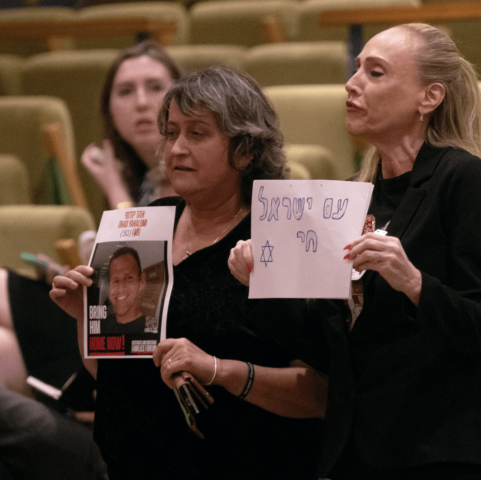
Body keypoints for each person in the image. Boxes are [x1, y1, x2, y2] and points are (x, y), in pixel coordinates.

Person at [229, 23, 481, 480]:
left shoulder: (463, 179)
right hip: (360, 448)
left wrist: (414, 282)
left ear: (429, 97)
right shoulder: (351, 195)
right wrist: (263, 286)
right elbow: (327, 350)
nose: (352, 84)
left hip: (443, 447)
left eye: (376, 72)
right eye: (356, 70)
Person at [50, 66, 327, 480]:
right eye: (172, 132)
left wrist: (218, 369)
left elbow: (320, 393)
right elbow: (111, 373)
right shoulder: (146, 223)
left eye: (196, 134)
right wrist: (84, 316)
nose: (176, 149)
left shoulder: (281, 234)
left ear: (246, 149)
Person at [0, 40, 182, 396]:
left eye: (154, 87)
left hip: (149, 338)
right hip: (109, 324)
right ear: (109, 109)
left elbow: (147, 278)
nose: (140, 101)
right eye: (125, 91)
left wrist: (114, 189)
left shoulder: (185, 166)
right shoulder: (144, 174)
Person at [100, 247, 147, 334]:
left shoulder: (156, 327)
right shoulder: (100, 325)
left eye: (129, 278)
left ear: (142, 281)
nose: (121, 288)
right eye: (115, 280)